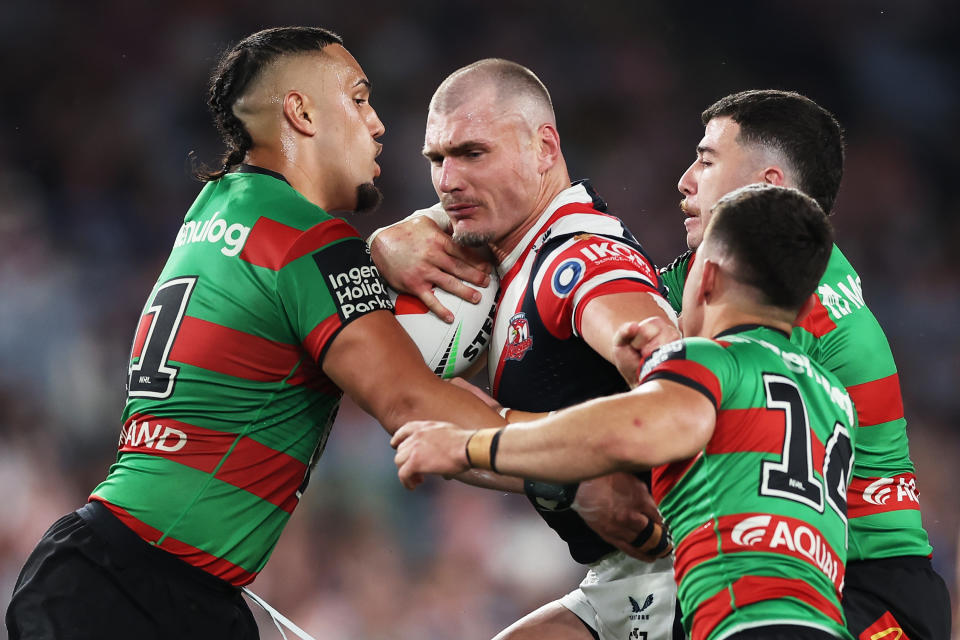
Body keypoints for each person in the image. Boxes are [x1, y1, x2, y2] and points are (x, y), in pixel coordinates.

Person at [4, 26, 511, 640]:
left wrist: (372, 251)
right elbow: (416, 407)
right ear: (300, 112)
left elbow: (269, 283)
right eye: (357, 99)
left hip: (115, 572)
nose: (377, 124)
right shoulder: (309, 242)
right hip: (139, 590)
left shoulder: (216, 205)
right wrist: (595, 456)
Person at [394, 184, 858, 639]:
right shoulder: (833, 397)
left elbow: (632, 431)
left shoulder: (711, 360)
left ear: (708, 278)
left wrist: (469, 445)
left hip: (746, 627)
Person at [372, 58, 684, 639]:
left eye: (472, 153)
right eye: (436, 159)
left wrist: (663, 367)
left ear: (545, 147)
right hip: (619, 577)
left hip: (683, 568)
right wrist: (383, 241)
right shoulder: (512, 256)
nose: (447, 181)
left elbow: (675, 380)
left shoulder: (577, 261)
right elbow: (493, 425)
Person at [651, 90, 951, 639]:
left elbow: (659, 409)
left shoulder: (793, 307)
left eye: (707, 160)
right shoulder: (763, 270)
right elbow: (631, 288)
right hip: (806, 578)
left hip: (865, 595)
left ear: (768, 188)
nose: (685, 180)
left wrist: (486, 441)